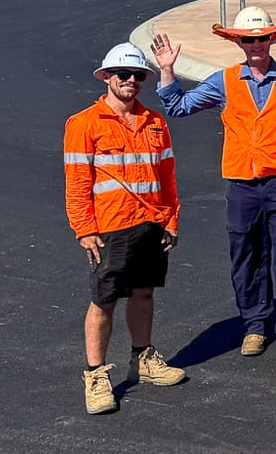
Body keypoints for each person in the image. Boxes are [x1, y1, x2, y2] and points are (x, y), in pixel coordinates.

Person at [153, 6, 276, 361]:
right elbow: (179, 106)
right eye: (248, 40)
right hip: (242, 183)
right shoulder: (225, 81)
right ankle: (255, 326)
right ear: (238, 43)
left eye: (262, 38)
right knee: (246, 255)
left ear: (272, 39)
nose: (256, 45)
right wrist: (167, 71)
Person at [64, 43, 189, 414]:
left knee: (144, 294)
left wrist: (171, 219)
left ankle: (143, 359)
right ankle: (96, 375)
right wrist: (84, 229)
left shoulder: (155, 122)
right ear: (107, 77)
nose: (131, 81)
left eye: (138, 76)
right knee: (104, 301)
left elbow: (167, 176)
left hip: (151, 223)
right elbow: (77, 182)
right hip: (110, 227)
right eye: (124, 74)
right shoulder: (84, 124)